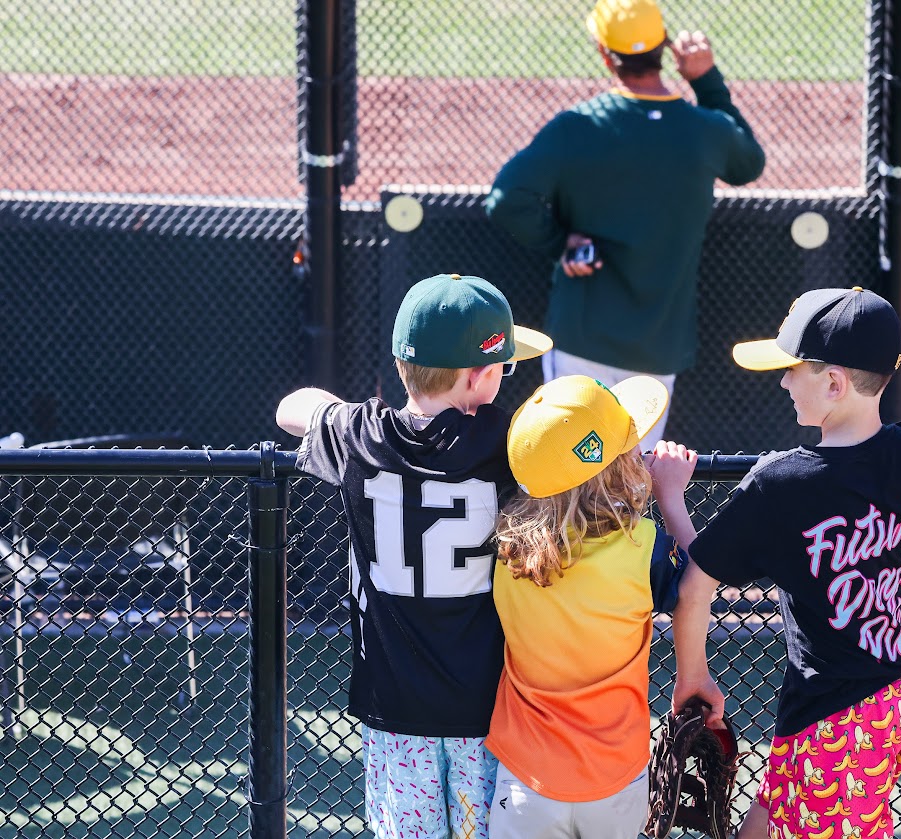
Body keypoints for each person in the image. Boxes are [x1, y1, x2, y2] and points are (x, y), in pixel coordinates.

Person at [648, 287, 901, 839]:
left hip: (837, 716)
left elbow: (696, 584)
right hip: (896, 692)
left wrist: (671, 499)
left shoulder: (779, 483)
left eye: (794, 370)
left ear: (835, 383)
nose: (784, 381)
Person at [275, 273, 552, 839]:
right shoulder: (510, 442)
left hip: (394, 705)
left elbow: (291, 408)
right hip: (489, 703)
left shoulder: (359, 435)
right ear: (479, 377)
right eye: (504, 368)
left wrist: (344, 411)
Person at [484, 0, 766, 450]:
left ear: (604, 53)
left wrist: (561, 242)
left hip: (582, 336)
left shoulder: (580, 126)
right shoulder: (704, 129)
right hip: (659, 345)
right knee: (633, 483)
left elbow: (505, 199)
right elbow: (748, 163)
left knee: (569, 478)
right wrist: (706, 81)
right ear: (664, 49)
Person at [485, 374, 690, 839]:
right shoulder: (644, 548)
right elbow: (700, 577)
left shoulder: (505, 552)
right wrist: (671, 498)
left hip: (526, 777)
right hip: (616, 775)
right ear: (617, 467)